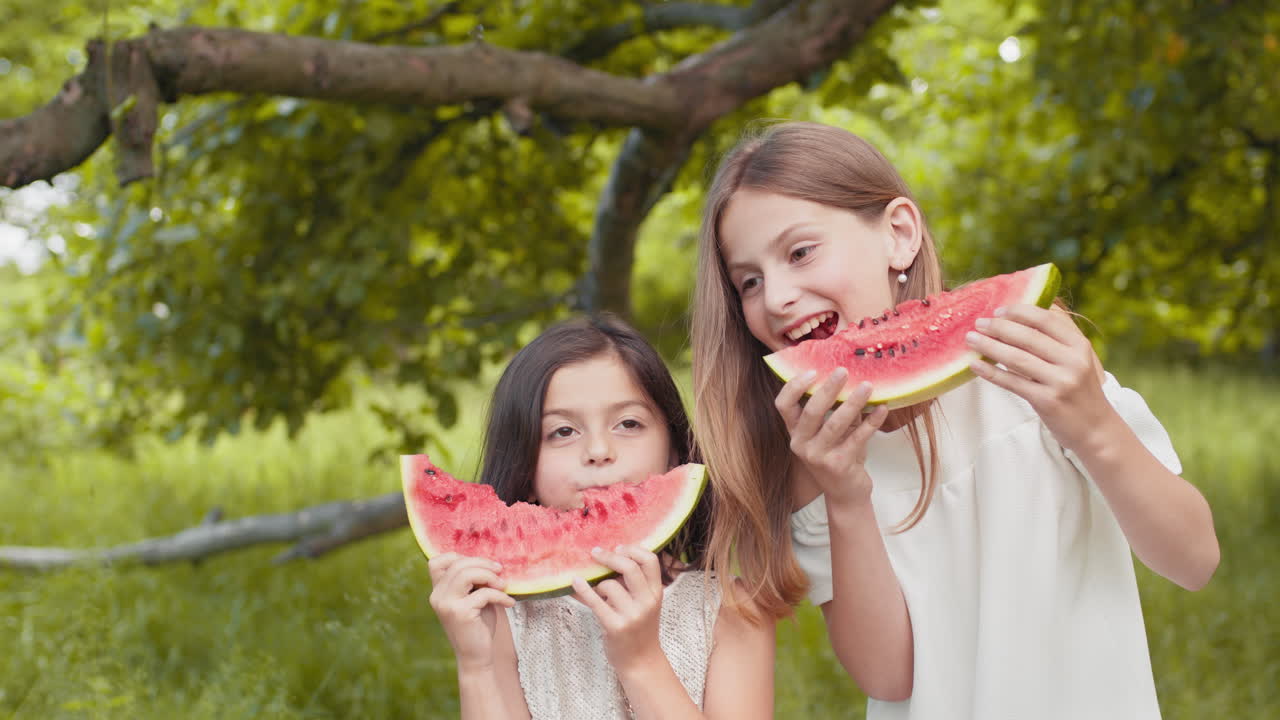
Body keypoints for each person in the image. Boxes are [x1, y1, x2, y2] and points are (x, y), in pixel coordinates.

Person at [690, 121, 1220, 719]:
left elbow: (1193, 559)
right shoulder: (811, 459)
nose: (777, 297)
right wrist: (846, 495)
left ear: (898, 235)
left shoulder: (1030, 356)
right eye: (750, 282)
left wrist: (1091, 422)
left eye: (800, 252)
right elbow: (889, 675)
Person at [428, 315, 774, 720]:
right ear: (524, 470)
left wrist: (641, 661)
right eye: (562, 431)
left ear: (674, 452)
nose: (598, 450)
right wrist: (476, 665)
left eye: (628, 423)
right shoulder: (503, 613)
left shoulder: (732, 610)